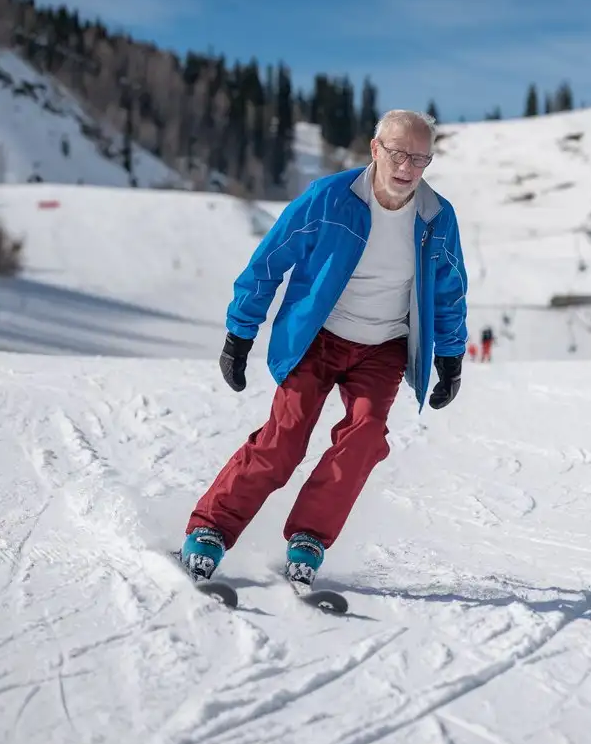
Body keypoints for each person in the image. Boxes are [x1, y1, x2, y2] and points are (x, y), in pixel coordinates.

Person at [180, 109, 469, 587]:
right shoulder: (329, 199)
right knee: (284, 439)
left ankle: (309, 536)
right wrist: (240, 332)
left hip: (384, 346)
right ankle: (211, 527)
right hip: (318, 337)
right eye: (398, 153)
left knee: (365, 436)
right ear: (375, 150)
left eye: (420, 158)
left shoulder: (436, 216)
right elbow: (268, 262)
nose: (407, 167)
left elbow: (449, 288)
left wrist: (451, 356)